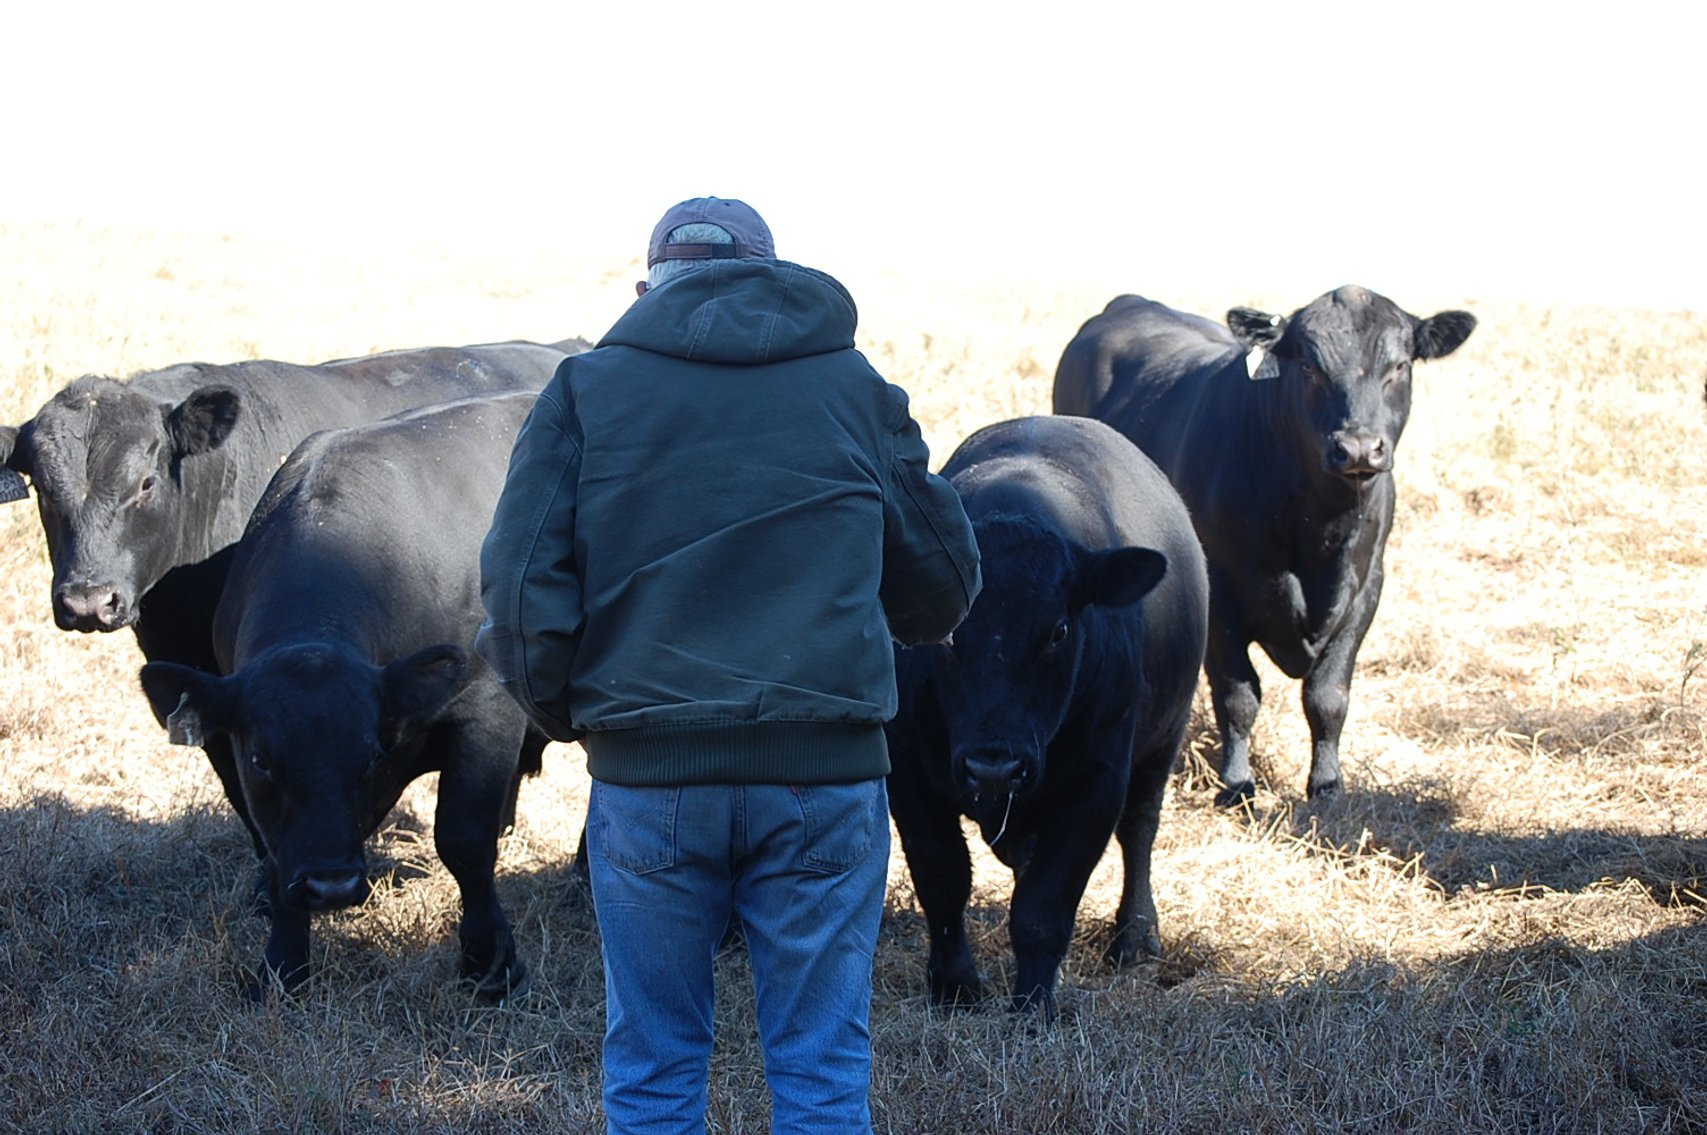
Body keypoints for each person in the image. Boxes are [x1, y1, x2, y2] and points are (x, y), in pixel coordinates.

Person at [476, 196, 981, 1135]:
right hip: (826, 779)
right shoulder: (854, 387)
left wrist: (572, 718)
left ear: (646, 287)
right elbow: (941, 586)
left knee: (655, 1063)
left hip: (647, 777)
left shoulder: (586, 391)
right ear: (772, 276)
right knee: (823, 1070)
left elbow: (514, 590)